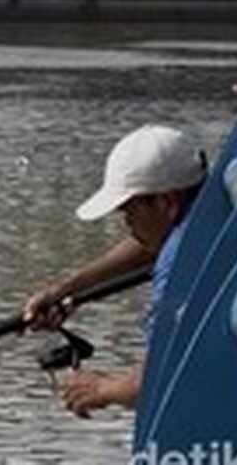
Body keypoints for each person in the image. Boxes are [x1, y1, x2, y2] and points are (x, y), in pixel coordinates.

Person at [22, 124, 207, 419]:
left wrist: (104, 389)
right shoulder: (209, 210)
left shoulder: (180, 261)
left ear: (167, 202)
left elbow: (168, 375)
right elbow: (147, 246)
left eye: (129, 211)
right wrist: (68, 290)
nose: (127, 223)